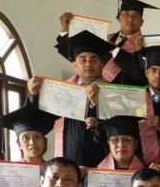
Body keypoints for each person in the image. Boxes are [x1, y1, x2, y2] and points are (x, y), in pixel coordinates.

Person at [27, 31, 113, 168]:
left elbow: (119, 127)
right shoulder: (62, 90)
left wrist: (98, 108)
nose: (88, 64)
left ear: (102, 65)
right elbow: (41, 121)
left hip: (102, 159)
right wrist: (33, 95)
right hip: (68, 156)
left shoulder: (113, 92)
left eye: (93, 59)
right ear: (75, 65)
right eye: (83, 59)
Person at [114, 45, 160, 165]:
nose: (158, 76)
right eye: (153, 70)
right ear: (146, 72)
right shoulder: (133, 99)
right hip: (139, 164)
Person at [93, 116, 144, 187]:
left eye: (127, 139)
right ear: (108, 144)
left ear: (136, 144)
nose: (121, 144)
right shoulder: (94, 175)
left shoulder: (147, 175)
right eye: (115, 139)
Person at [100, 0, 158, 85]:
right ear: (118, 17)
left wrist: (141, 53)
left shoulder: (148, 45)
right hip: (100, 88)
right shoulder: (107, 38)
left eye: (135, 15)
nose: (130, 18)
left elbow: (144, 77)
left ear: (142, 22)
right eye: (125, 14)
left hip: (129, 91)